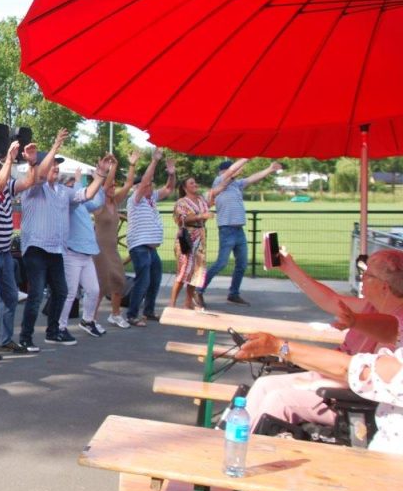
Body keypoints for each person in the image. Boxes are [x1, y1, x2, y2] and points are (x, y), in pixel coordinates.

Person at [237, 329, 403, 491]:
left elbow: (350, 368)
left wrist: (278, 345)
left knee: (304, 476)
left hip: (390, 485)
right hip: (384, 473)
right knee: (337, 484)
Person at [244, 248, 403, 430]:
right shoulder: (371, 306)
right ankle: (231, 442)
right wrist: (289, 268)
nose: (362, 278)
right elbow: (329, 299)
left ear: (384, 286)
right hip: (335, 380)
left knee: (279, 399)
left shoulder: (395, 324)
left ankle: (248, 448)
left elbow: (361, 371)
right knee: (264, 385)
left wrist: (281, 349)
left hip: (352, 398)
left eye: (367, 275)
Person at [17, 129, 105, 350]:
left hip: (56, 250)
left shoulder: (63, 192)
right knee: (36, 294)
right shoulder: (33, 188)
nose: (56, 166)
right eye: (53, 163)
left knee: (62, 292)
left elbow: (87, 195)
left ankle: (53, 332)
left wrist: (101, 175)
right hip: (36, 248)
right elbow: (37, 176)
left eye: (58, 164)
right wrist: (55, 145)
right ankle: (25, 337)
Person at [0, 141, 39, 358]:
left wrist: (32, 162)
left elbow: (31, 181)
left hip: (4, 253)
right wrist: (10, 159)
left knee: (11, 297)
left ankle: (4, 340)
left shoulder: (8, 187)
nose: (0, 176)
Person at [201, 158, 282, 306]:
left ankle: (234, 293)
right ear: (223, 172)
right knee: (221, 263)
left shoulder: (236, 185)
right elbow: (232, 171)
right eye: (232, 170)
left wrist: (270, 169)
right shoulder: (218, 182)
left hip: (239, 230)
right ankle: (199, 290)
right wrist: (246, 157)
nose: (237, 172)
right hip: (227, 229)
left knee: (242, 264)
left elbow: (252, 178)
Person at [57, 157, 116, 341]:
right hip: (72, 253)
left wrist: (97, 178)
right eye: (71, 182)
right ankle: (60, 326)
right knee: (70, 293)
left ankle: (88, 320)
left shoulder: (82, 205)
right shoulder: (68, 202)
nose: (75, 184)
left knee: (94, 290)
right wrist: (83, 181)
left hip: (87, 254)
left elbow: (97, 200)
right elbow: (83, 194)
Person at [124, 147, 176, 327]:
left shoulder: (152, 198)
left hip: (150, 248)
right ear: (138, 187)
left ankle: (149, 311)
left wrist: (171, 174)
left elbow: (169, 189)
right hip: (139, 246)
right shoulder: (135, 199)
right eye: (148, 184)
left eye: (152, 184)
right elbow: (146, 179)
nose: (151, 185)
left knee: (155, 278)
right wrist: (154, 161)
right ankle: (132, 314)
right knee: (143, 280)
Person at [92, 150, 139, 328]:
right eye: (110, 187)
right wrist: (114, 166)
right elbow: (106, 184)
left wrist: (132, 164)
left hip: (112, 249)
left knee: (119, 280)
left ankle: (115, 314)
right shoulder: (100, 203)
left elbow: (128, 183)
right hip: (99, 248)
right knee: (101, 284)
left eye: (113, 187)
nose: (112, 189)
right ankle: (91, 318)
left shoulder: (116, 202)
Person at [168, 175, 229, 310]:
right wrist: (201, 216)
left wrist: (230, 176)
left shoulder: (201, 200)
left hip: (200, 240)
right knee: (183, 271)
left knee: (196, 272)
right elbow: (181, 219)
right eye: (191, 183)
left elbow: (215, 191)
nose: (195, 184)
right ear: (185, 187)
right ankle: (172, 304)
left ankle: (188, 303)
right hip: (187, 240)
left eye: (195, 182)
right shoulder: (181, 202)